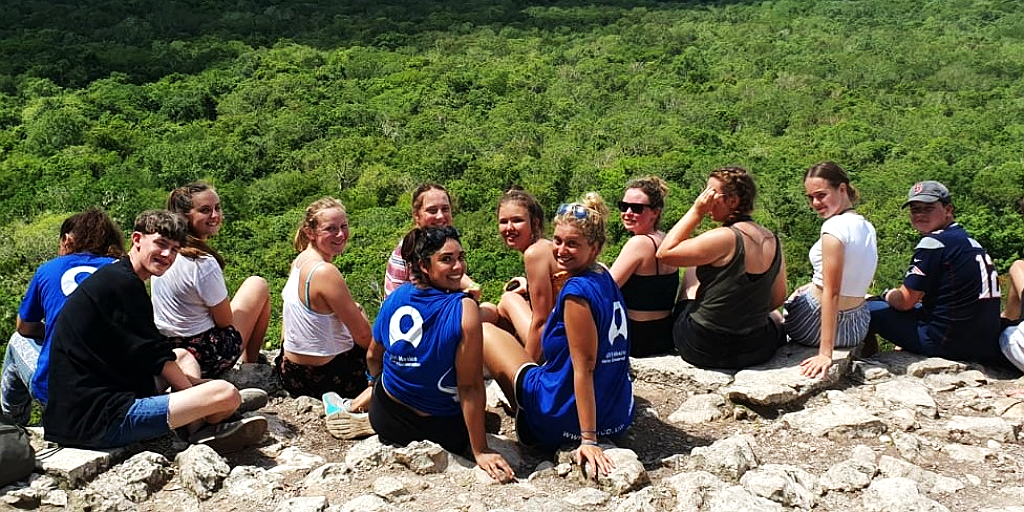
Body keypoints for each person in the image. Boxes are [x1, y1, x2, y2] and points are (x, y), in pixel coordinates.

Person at [43, 210, 265, 451]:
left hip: (93, 400)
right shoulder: (123, 285)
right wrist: (201, 390)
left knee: (183, 356)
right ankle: (211, 416)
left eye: (175, 249)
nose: (167, 254)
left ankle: (198, 423)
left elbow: (148, 352)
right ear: (137, 239)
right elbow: (156, 358)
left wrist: (195, 384)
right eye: (160, 244)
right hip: (99, 419)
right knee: (226, 393)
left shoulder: (118, 276)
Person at [482, 193, 633, 480]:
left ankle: (518, 409)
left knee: (485, 331)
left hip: (563, 419)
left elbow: (584, 367)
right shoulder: (604, 276)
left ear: (595, 246)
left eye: (572, 243)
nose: (561, 250)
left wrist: (588, 440)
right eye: (559, 241)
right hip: (617, 415)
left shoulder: (576, 293)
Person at [368, 226, 515, 482]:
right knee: (490, 420)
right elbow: (469, 386)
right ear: (424, 265)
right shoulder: (463, 308)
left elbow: (372, 355)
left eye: (461, 257)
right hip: (440, 430)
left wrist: (377, 386)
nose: (458, 267)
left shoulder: (398, 295)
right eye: (446, 259)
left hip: (385, 417)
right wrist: (480, 450)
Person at [657, 167, 788, 369]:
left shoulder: (724, 237)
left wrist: (696, 211)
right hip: (755, 348)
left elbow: (664, 253)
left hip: (704, 347)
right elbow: (778, 298)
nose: (706, 200)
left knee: (692, 275)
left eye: (711, 194)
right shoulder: (773, 240)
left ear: (733, 201)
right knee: (774, 318)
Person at [1, 209, 123, 425]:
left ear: (67, 240)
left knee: (16, 341)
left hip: (60, 394)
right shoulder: (124, 271)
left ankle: (12, 426)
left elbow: (25, 327)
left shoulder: (49, 269)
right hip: (115, 392)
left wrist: (57, 327)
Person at [867, 181, 1006, 368]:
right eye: (915, 209)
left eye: (928, 208)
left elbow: (904, 301)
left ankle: (865, 364)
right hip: (985, 342)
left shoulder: (934, 243)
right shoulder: (969, 241)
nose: (920, 215)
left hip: (948, 343)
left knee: (865, 309)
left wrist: (884, 295)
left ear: (948, 209)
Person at [278, 198, 375, 439]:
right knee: (402, 367)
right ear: (310, 232)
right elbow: (364, 337)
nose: (341, 234)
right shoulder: (325, 272)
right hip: (329, 377)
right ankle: (351, 407)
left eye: (344, 226)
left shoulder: (300, 262)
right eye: (331, 228)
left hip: (290, 372)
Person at [152, 182, 271, 379]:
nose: (215, 215)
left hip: (169, 349)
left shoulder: (164, 253)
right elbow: (225, 321)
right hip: (204, 355)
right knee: (258, 285)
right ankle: (251, 364)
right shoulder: (201, 263)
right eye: (205, 210)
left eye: (217, 207)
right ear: (185, 217)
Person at [784, 162, 878, 378]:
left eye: (821, 195)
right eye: (811, 198)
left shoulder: (833, 227)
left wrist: (825, 354)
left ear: (842, 189)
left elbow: (832, 291)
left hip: (812, 325)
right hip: (856, 329)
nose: (815, 203)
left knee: (783, 307)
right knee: (804, 289)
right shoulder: (867, 227)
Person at [609, 176, 680, 357]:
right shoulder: (666, 240)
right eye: (624, 206)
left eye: (637, 208)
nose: (628, 212)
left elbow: (607, 288)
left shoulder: (639, 243)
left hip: (636, 337)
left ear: (655, 213)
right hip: (663, 335)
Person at [495, 187, 559, 362]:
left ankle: (506, 362)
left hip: (556, 347)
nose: (509, 228)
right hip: (565, 338)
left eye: (517, 220)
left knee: (508, 300)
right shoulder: (547, 246)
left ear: (535, 223)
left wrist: (527, 373)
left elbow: (542, 321)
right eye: (503, 221)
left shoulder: (534, 253)